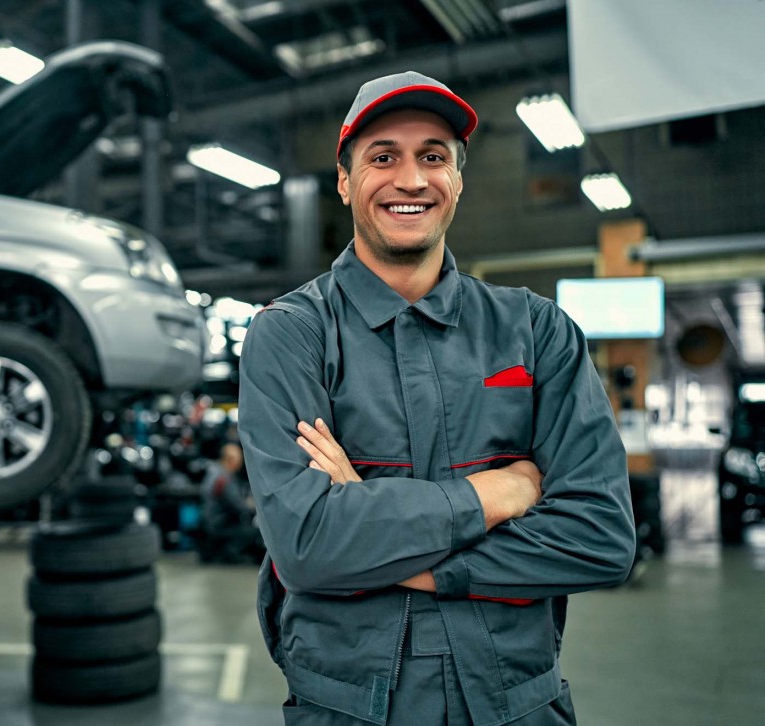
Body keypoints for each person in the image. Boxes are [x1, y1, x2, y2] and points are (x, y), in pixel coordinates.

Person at [238, 71, 636, 725]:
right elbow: (306, 544)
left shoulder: (538, 333)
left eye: (433, 156)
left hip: (516, 704)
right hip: (348, 709)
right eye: (383, 157)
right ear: (344, 181)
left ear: (458, 178)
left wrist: (401, 554)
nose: (412, 180)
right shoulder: (291, 334)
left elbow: (600, 536)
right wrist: (498, 495)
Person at [198, 442, 261, 563]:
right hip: (220, 524)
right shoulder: (223, 478)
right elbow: (238, 505)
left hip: (210, 521)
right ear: (232, 460)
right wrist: (257, 507)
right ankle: (230, 553)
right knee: (257, 531)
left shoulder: (214, 472)